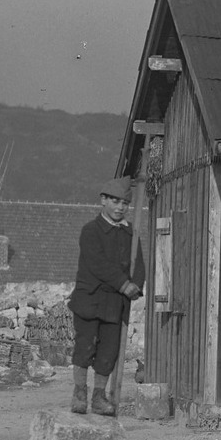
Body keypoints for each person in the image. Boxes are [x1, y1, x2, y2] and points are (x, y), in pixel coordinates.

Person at [68, 176, 146, 416]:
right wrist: (124, 284)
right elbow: (97, 265)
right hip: (89, 300)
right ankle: (79, 393)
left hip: (115, 305)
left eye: (125, 203)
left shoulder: (130, 234)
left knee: (108, 353)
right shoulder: (90, 231)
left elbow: (139, 265)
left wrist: (136, 286)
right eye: (115, 201)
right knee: (85, 347)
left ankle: (100, 397)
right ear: (103, 201)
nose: (120, 207)